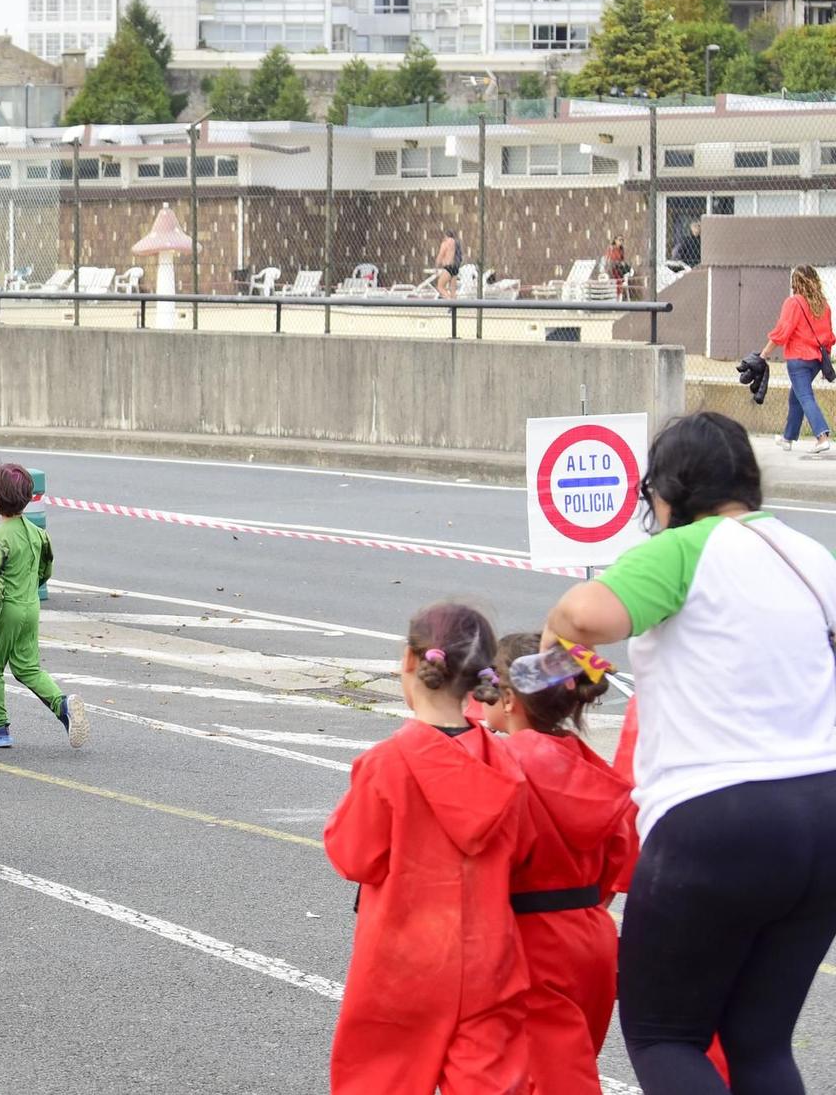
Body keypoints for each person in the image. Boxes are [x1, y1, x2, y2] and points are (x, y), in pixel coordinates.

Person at [539, 411, 836, 1091]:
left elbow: (590, 616)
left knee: (665, 1036)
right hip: (823, 811)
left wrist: (555, 633)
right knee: (761, 1043)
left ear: (667, 492)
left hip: (717, 819)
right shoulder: (809, 555)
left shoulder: (685, 547)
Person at [325, 601, 532, 1095]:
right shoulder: (504, 765)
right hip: (488, 957)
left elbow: (355, 857)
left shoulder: (388, 763)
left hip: (401, 960)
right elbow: (522, 854)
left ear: (412, 662)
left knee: (380, 1080)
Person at [476, 632, 634, 1095]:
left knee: (546, 1078)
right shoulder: (588, 764)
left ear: (508, 698)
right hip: (589, 934)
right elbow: (618, 857)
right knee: (571, 1060)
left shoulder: (498, 765)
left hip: (526, 938)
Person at [0, 463, 85, 750]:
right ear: (28, 497)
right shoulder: (38, 534)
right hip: (31, 606)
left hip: (6, 610)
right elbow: (46, 572)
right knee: (28, 668)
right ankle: (62, 707)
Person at [761, 263, 833, 456]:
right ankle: (788, 437)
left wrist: (764, 354)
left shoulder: (793, 303)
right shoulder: (823, 305)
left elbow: (782, 332)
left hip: (798, 360)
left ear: (796, 282)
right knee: (797, 396)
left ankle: (822, 437)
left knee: (805, 397)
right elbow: (828, 336)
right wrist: (825, 362)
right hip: (817, 360)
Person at [433, 228, 461, 298]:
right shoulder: (456, 243)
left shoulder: (445, 243)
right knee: (453, 290)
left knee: (440, 287)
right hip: (455, 267)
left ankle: (449, 301)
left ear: (445, 236)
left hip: (448, 267)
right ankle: (453, 307)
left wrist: (436, 266)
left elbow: (441, 254)